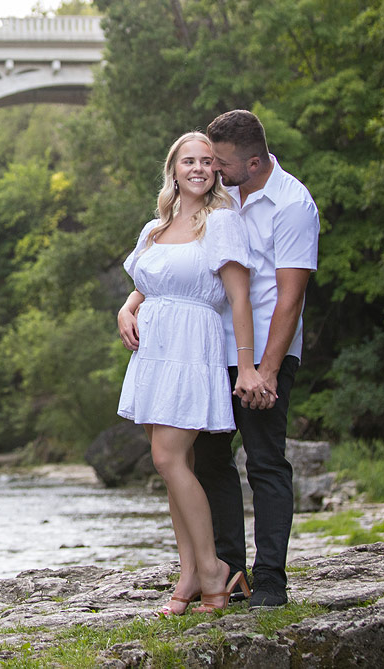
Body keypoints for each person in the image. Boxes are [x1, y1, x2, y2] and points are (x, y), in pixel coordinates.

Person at [115, 131, 261, 615]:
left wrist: (247, 364)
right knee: (175, 465)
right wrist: (127, 307)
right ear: (173, 170)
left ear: (216, 170)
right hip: (155, 352)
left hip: (192, 349)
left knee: (168, 459)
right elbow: (149, 282)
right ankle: (192, 573)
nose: (197, 168)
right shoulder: (154, 229)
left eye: (206, 161)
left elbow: (238, 296)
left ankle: (214, 570)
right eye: (188, 161)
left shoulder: (221, 222)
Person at [193, 109, 319, 608]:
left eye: (222, 162)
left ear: (254, 160)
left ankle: (271, 579)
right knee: (210, 460)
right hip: (210, 350)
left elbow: (289, 298)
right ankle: (230, 572)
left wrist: (265, 371)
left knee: (265, 462)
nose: (215, 171)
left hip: (268, 353)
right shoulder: (220, 197)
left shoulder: (292, 204)